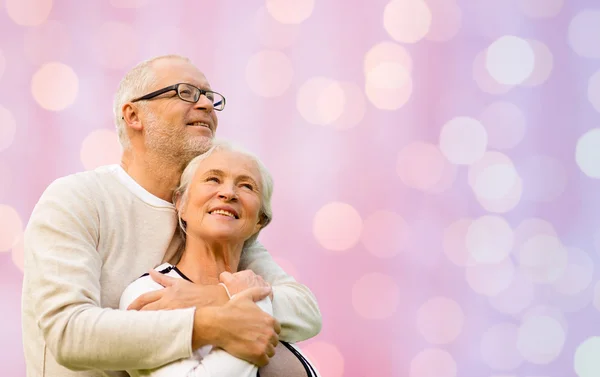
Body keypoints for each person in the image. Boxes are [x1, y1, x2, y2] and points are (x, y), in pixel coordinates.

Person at [21, 55, 322, 377]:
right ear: (134, 115)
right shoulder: (78, 199)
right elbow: (68, 333)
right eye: (186, 92)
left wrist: (213, 297)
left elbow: (304, 310)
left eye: (209, 96)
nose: (206, 104)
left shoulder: (211, 218)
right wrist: (210, 323)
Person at [120, 140, 320, 377]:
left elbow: (310, 316)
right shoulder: (151, 291)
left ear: (260, 220)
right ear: (180, 203)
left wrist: (230, 296)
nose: (228, 193)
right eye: (213, 179)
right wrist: (250, 305)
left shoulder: (260, 288)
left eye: (246, 186)